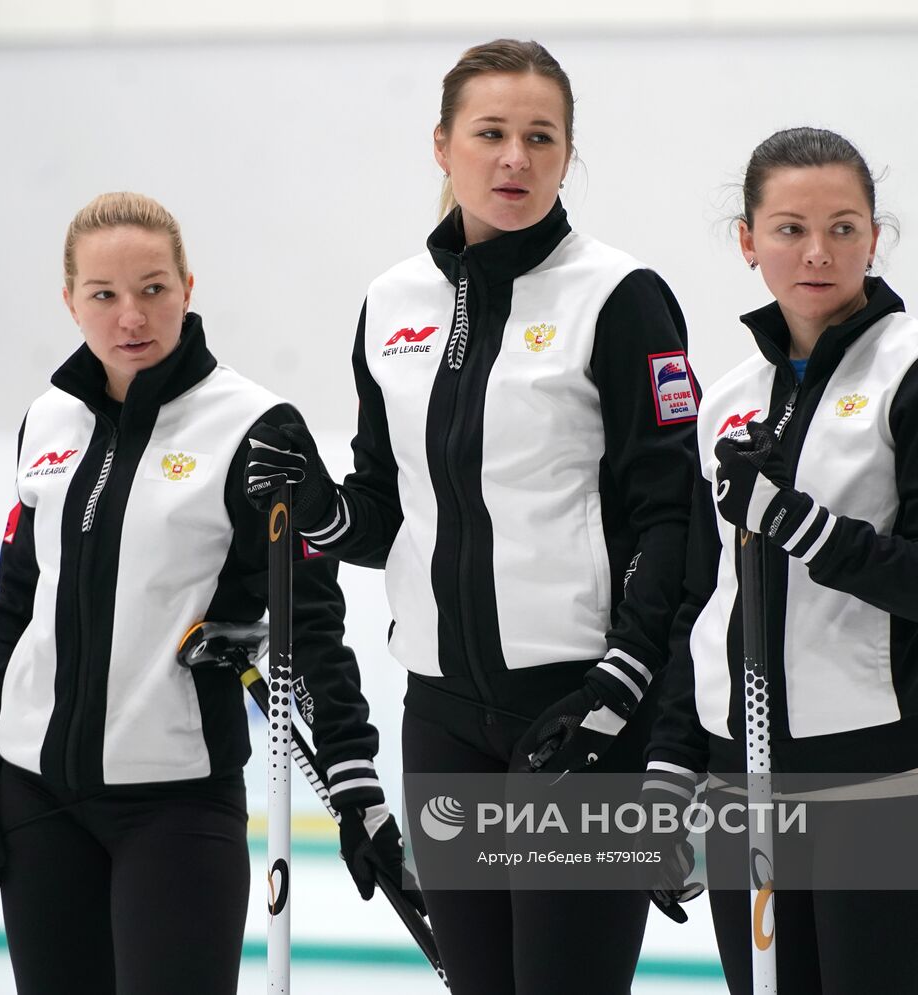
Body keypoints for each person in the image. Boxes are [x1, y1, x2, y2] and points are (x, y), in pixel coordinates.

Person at [244, 40, 700, 995]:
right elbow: (384, 509)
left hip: (577, 712)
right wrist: (319, 507)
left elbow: (674, 521)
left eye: (542, 138)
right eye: (490, 134)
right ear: (443, 145)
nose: (515, 160)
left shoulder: (619, 298)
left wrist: (623, 688)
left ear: (569, 156)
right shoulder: (391, 304)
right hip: (444, 715)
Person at [0, 192, 419, 995]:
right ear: (70, 302)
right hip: (35, 796)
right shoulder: (48, 421)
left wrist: (354, 781)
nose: (131, 315)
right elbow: (18, 608)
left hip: (175, 806)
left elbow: (311, 623)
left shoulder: (256, 426)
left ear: (188, 286)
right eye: (104, 295)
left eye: (153, 288)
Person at [644, 128, 918, 995]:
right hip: (744, 783)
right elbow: (704, 599)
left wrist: (801, 526)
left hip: (883, 786)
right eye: (788, 229)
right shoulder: (730, 399)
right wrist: (671, 765)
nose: (818, 252)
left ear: (875, 237)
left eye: (845, 227)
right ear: (747, 241)